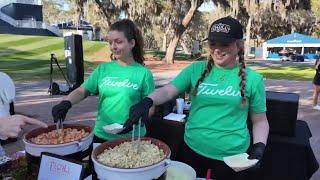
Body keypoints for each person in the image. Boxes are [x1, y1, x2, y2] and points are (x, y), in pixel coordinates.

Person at [120, 16, 269, 179]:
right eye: (213, 44)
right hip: (193, 149)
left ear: (239, 45)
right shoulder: (195, 69)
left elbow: (259, 120)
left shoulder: (253, 80)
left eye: (225, 44)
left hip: (233, 158)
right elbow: (168, 90)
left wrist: (259, 146)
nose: (217, 49)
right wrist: (147, 101)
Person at [51, 19, 155, 143]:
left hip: (132, 138)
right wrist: (66, 103)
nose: (113, 47)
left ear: (132, 43)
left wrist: (138, 119)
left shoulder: (144, 73)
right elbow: (82, 90)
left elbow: (151, 106)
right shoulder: (103, 69)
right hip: (101, 135)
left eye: (118, 42)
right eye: (110, 42)